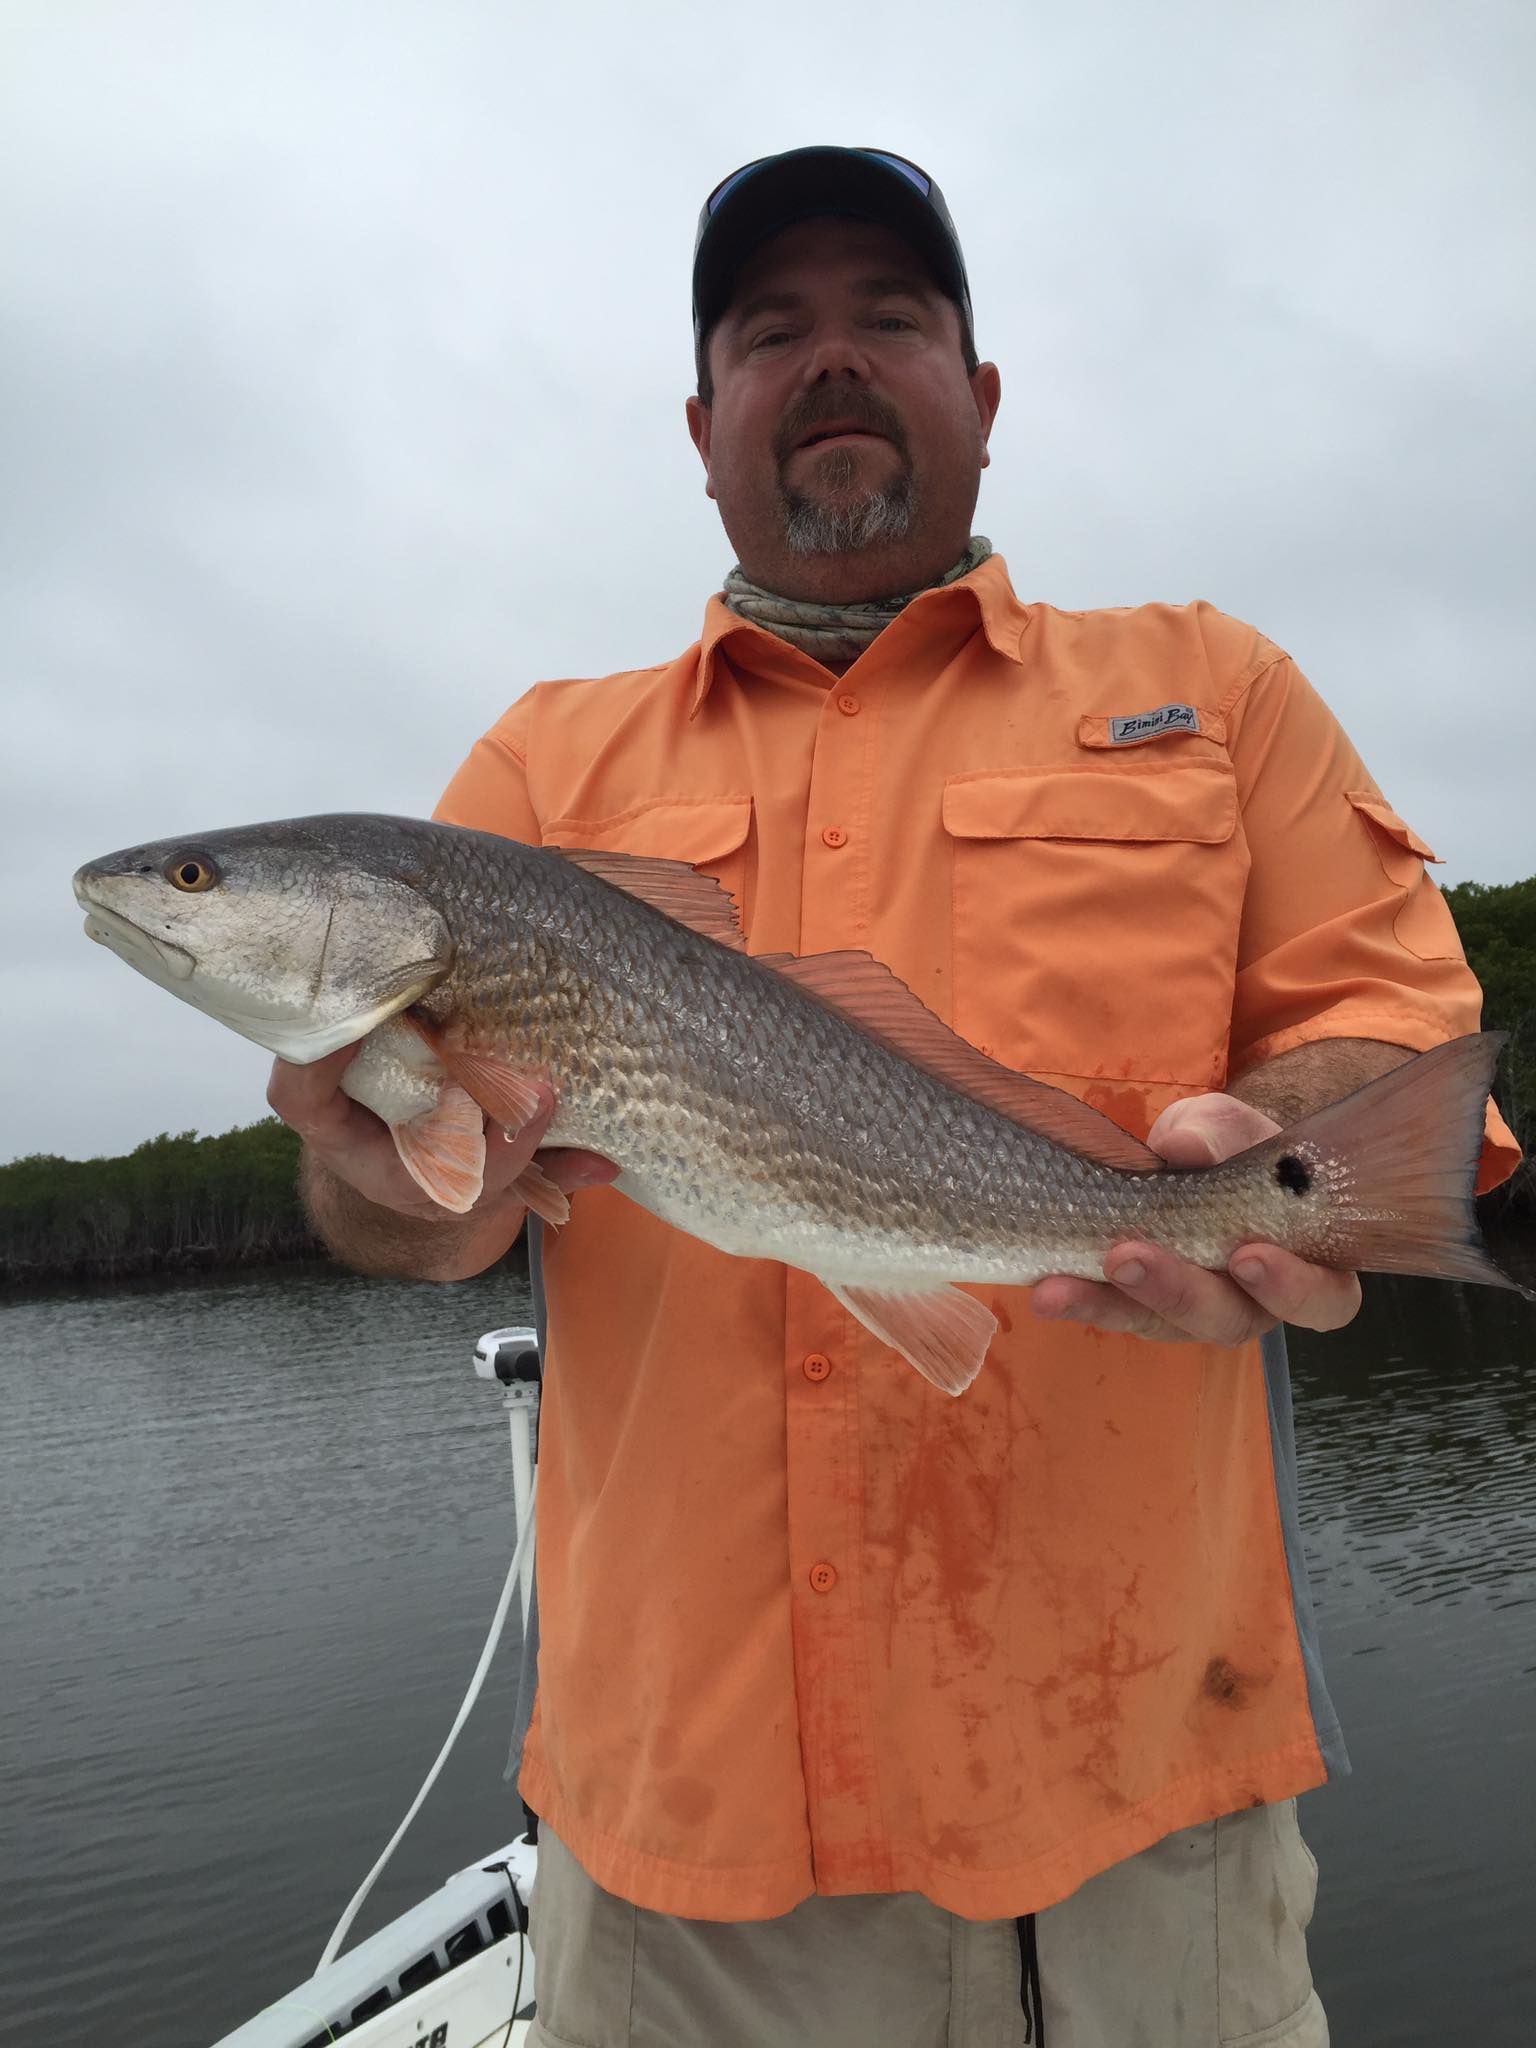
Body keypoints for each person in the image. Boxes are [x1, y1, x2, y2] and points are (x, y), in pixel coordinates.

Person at [270, 147, 1518, 2047]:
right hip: (685, 1850)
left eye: (892, 318)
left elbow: (1394, 1034)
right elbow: (421, 1229)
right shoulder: (538, 771)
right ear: (702, 428)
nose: (832, 358)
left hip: (1145, 1810)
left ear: (983, 396)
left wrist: (1269, 1162)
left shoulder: (1215, 690)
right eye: (772, 331)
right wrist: (382, 1172)